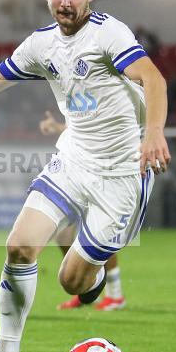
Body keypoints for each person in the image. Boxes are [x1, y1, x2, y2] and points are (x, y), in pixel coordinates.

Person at [0, 0, 170, 352]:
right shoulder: (41, 43)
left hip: (121, 174)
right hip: (71, 159)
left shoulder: (109, 34)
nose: (64, 2)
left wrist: (153, 132)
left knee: (73, 282)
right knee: (19, 246)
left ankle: (91, 281)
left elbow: (154, 79)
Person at [38, 110, 125, 312]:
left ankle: (115, 294)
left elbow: (100, 131)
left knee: (98, 233)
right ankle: (85, 288)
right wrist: (58, 127)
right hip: (75, 167)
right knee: (63, 234)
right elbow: (80, 131)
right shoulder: (75, 95)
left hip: (100, 168)